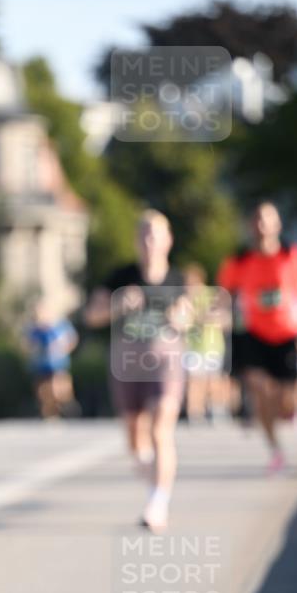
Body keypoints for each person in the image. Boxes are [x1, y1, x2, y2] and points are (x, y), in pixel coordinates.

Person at [85, 210, 188, 531]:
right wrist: (116, 306)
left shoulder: (178, 279)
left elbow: (190, 318)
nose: (149, 242)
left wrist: (180, 318)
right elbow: (91, 316)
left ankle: (158, 503)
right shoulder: (120, 276)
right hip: (128, 364)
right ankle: (149, 471)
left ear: (168, 240)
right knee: (135, 435)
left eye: (155, 235)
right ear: (136, 240)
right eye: (144, 234)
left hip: (165, 363)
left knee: (160, 429)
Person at [217, 202, 297, 473]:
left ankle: (289, 411)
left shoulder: (293, 256)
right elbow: (223, 296)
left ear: (278, 224)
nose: (262, 225)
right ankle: (275, 449)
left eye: (267, 220)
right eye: (257, 219)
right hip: (253, 334)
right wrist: (218, 316)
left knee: (285, 400)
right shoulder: (239, 261)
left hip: (288, 334)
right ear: (250, 225)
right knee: (260, 392)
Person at [182, 263, 230, 424]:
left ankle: (217, 410)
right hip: (192, 346)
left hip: (212, 345)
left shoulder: (211, 294)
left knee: (213, 380)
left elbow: (222, 317)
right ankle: (195, 413)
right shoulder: (184, 297)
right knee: (194, 380)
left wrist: (205, 317)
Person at [23, 297, 79, 419]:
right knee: (43, 390)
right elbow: (27, 345)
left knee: (58, 387)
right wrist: (32, 349)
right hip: (40, 365)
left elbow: (72, 339)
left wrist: (63, 349)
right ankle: (50, 413)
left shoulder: (60, 325)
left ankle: (66, 405)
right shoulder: (33, 329)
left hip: (58, 363)